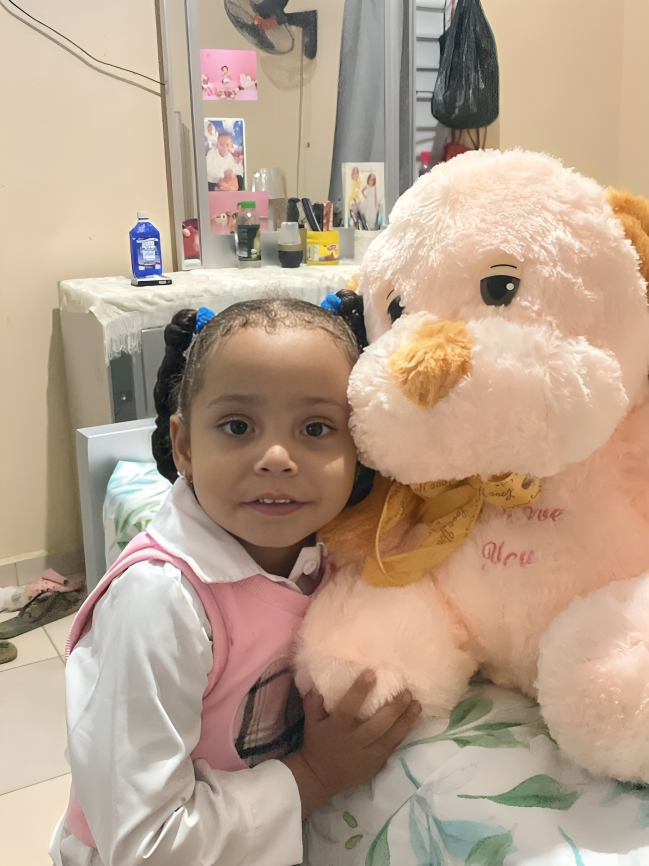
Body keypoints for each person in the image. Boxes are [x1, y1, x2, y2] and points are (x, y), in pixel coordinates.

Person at [50, 298, 421, 866]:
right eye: (238, 426)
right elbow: (143, 845)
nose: (276, 457)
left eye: (316, 428)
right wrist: (315, 775)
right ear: (184, 446)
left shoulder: (332, 557)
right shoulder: (159, 601)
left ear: (359, 448)